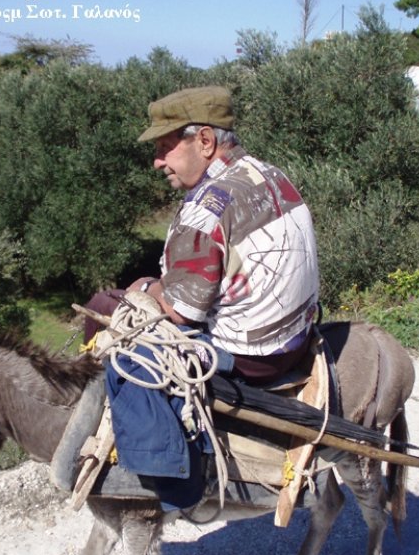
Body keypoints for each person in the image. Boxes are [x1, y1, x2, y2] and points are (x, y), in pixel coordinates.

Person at [124, 85, 321, 386]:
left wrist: (145, 286)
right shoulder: (269, 174)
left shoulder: (204, 210)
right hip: (296, 340)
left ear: (205, 141)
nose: (157, 162)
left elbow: (181, 314)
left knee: (106, 306)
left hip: (247, 357)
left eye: (164, 147)